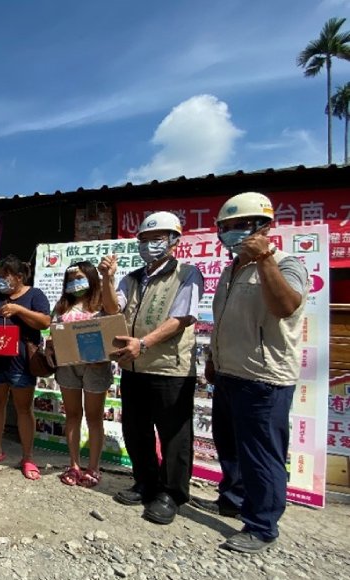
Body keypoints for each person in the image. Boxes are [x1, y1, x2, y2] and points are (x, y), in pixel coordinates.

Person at [195, 192, 309, 553]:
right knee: (230, 447)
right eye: (224, 228)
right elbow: (223, 322)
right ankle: (232, 499)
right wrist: (213, 359)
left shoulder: (287, 265)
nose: (230, 234)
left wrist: (265, 261)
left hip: (264, 378)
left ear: (263, 227)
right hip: (229, 373)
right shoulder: (231, 271)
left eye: (239, 226)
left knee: (261, 453)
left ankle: (262, 526)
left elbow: (286, 306)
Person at [111, 211, 204, 525]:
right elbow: (114, 309)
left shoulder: (186, 274)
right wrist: (108, 280)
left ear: (174, 241)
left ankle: (172, 494)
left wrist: (144, 343)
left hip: (169, 369)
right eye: (145, 239)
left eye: (157, 239)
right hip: (134, 367)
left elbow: (181, 319)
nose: (150, 245)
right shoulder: (132, 278)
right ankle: (145, 482)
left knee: (174, 434)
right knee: (135, 430)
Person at [0, 256, 50, 479]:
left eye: (5, 276)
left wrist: (19, 310)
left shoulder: (34, 294)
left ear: (19, 277)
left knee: (23, 409)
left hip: (21, 362)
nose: (1, 281)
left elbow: (45, 322)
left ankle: (27, 457)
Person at [50, 257, 119, 488]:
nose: (74, 283)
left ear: (90, 278)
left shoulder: (100, 303)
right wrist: (51, 345)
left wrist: (108, 277)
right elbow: (53, 333)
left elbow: (114, 311)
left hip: (96, 366)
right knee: (72, 415)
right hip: (67, 366)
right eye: (70, 279)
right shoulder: (61, 306)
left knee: (94, 417)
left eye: (79, 278)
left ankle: (94, 467)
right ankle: (74, 464)